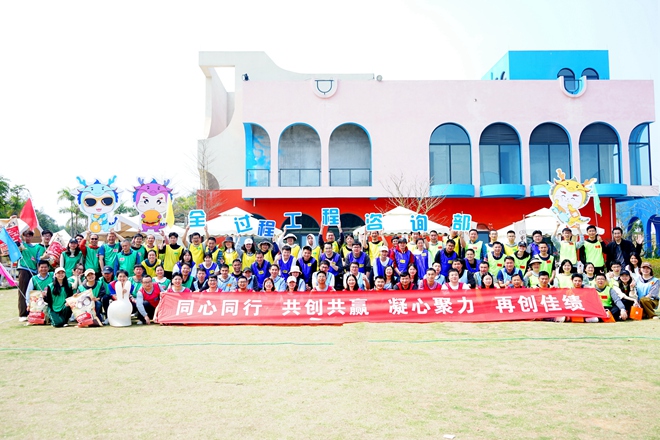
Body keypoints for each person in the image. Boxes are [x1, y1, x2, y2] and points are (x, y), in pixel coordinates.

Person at [17, 229, 45, 320]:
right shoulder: (22, 244)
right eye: (26, 236)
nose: (28, 238)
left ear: (32, 237)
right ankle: (23, 314)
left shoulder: (36, 247)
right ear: (23, 237)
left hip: (33, 271)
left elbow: (38, 259)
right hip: (24, 269)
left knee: (33, 293)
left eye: (29, 236)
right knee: (23, 291)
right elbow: (17, 248)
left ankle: (33, 312)